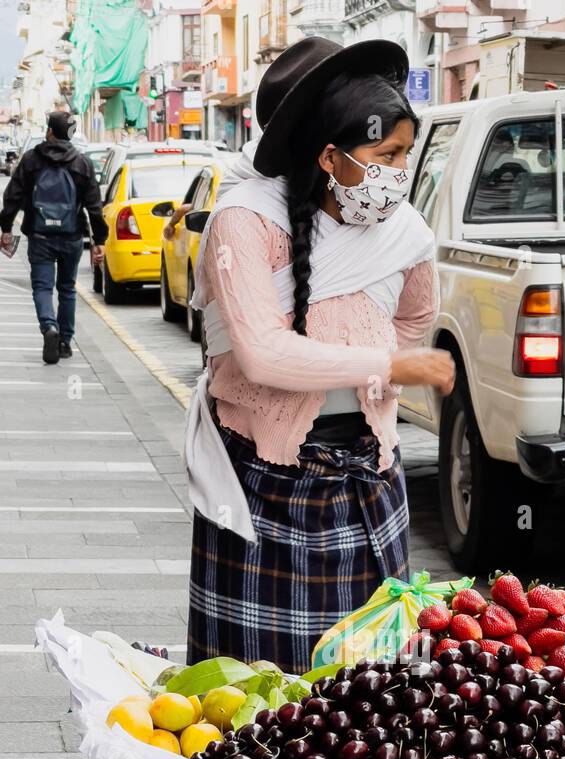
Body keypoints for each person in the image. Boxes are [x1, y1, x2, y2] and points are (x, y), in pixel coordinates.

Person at [185, 37, 455, 672]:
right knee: (260, 692)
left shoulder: (404, 232)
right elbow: (262, 356)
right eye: (385, 154)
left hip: (370, 476)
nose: (399, 171)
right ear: (330, 156)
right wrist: (385, 366)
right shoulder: (245, 222)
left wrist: (387, 364)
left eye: (405, 154)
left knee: (369, 691)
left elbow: (416, 315)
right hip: (268, 482)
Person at [0, 112, 107, 364]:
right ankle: (65, 342)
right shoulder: (82, 163)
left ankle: (49, 327)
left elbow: (12, 195)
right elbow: (94, 207)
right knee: (67, 289)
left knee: (42, 287)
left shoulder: (31, 160)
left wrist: (6, 227)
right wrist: (98, 241)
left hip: (39, 235)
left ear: (49, 132)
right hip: (71, 236)